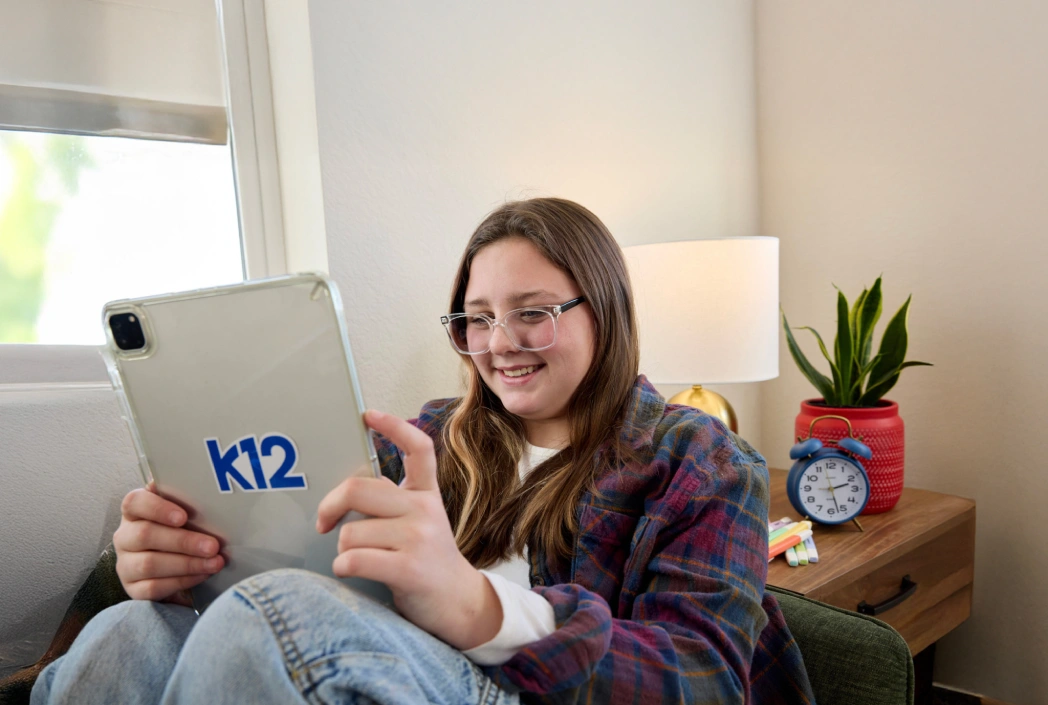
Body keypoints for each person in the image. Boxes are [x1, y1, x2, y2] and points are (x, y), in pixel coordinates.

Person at [32, 198, 814, 704]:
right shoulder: (426, 441)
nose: (498, 343)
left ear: (604, 309)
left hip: (521, 692)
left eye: (531, 312)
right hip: (386, 675)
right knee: (125, 632)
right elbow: (309, 567)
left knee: (275, 615)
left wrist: (478, 607)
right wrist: (174, 565)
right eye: (475, 319)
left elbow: (706, 679)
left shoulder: (698, 460)